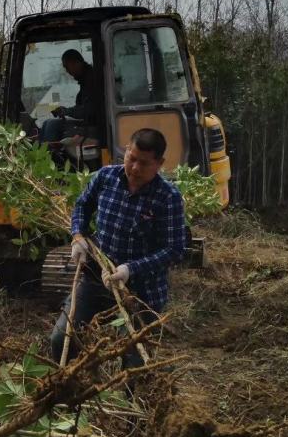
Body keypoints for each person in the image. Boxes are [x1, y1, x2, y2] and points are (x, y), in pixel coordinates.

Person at [49, 128, 186, 369]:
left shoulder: (168, 197)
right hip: (96, 279)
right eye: (131, 158)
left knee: (134, 359)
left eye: (144, 163)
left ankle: (134, 401)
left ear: (159, 163)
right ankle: (71, 393)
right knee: (63, 340)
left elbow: (174, 249)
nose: (134, 168)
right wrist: (78, 235)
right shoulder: (106, 178)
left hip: (141, 291)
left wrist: (131, 269)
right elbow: (82, 205)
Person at [39, 49, 100, 146]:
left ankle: (47, 157)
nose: (67, 71)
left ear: (76, 63)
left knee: (52, 125)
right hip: (88, 123)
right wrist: (63, 110)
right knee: (47, 123)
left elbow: (89, 110)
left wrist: (66, 111)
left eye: (67, 66)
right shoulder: (85, 79)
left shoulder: (91, 80)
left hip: (96, 127)